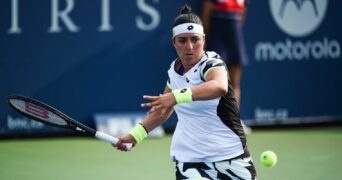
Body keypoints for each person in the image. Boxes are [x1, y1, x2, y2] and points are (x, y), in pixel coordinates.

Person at [115, 4, 256, 180]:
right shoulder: (174, 72)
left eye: (194, 39)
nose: (189, 46)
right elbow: (162, 110)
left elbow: (219, 86)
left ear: (203, 40)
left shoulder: (212, 63)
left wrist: (176, 96)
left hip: (231, 156)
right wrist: (135, 135)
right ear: (174, 42)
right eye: (182, 40)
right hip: (190, 160)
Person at [202, 0, 252, 134]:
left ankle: (234, 120)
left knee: (235, 81)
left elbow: (243, 13)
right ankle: (212, 122)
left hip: (234, 34)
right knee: (213, 81)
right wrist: (204, 38)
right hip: (217, 34)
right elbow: (207, 9)